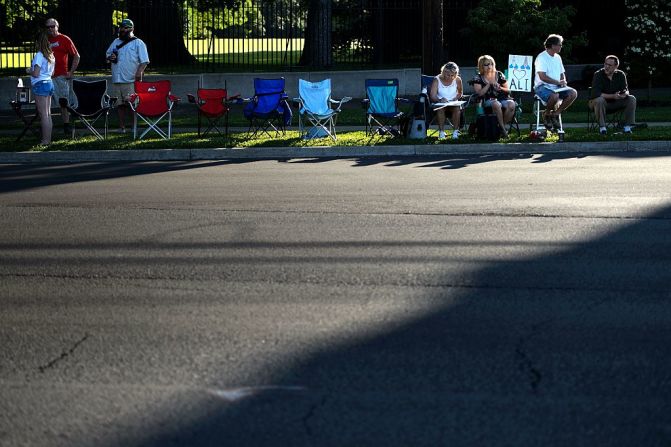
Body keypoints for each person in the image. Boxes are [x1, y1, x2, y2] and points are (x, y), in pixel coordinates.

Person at [105, 18, 149, 133]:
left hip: (130, 79)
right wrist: (110, 58)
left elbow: (144, 61)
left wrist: (139, 73)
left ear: (131, 29)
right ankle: (122, 128)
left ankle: (133, 128)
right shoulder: (115, 42)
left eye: (125, 28)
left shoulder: (138, 43)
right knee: (120, 105)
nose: (122, 30)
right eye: (121, 27)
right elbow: (108, 55)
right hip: (117, 79)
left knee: (131, 105)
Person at [534, 34, 577, 131]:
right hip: (542, 86)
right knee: (555, 96)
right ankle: (547, 114)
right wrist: (558, 82)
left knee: (573, 93)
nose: (561, 46)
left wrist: (563, 81)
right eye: (559, 44)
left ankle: (555, 114)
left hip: (557, 86)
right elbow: (543, 77)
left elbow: (562, 73)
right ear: (553, 46)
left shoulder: (558, 57)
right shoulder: (541, 57)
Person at [45, 18, 80, 136]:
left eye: (52, 26)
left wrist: (71, 72)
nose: (50, 29)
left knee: (63, 102)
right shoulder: (45, 40)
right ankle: (46, 126)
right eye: (48, 27)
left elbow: (76, 56)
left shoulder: (64, 39)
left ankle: (66, 126)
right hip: (47, 76)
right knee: (46, 103)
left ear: (57, 27)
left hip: (60, 76)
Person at [589, 55, 636, 135]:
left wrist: (624, 94)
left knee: (631, 98)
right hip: (597, 104)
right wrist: (613, 96)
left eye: (610, 65)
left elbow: (626, 90)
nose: (606, 67)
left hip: (615, 103)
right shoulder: (598, 74)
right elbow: (596, 94)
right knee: (599, 100)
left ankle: (627, 127)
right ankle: (602, 128)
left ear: (616, 66)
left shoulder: (620, 74)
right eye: (605, 64)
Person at [471, 55, 515, 138]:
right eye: (486, 64)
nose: (489, 66)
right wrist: (488, 84)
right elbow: (479, 94)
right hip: (487, 100)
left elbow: (508, 90)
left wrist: (500, 87)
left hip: (502, 98)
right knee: (496, 104)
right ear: (481, 66)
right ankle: (503, 129)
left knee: (511, 104)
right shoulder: (478, 78)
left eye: (491, 64)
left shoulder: (499, 74)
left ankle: (500, 127)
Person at [27, 32, 55, 146]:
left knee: (43, 114)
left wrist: (29, 71)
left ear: (38, 42)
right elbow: (52, 72)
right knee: (48, 114)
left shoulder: (39, 55)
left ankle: (45, 141)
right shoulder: (51, 55)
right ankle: (48, 139)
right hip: (49, 83)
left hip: (40, 84)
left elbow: (36, 73)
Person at [429, 62, 463, 140]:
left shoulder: (458, 79)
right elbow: (432, 95)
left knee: (457, 108)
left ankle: (455, 132)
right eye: (448, 75)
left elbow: (460, 93)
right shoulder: (437, 79)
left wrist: (456, 97)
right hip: (441, 103)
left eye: (452, 75)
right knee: (440, 108)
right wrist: (440, 99)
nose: (450, 77)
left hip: (453, 103)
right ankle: (441, 132)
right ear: (444, 72)